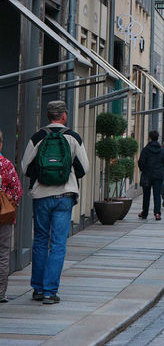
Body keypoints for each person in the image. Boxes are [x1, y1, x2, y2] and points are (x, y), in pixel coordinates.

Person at [21, 100, 89, 305]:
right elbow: (83, 167)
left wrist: (43, 176)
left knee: (41, 240)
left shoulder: (38, 136)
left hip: (41, 195)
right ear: (64, 116)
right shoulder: (73, 137)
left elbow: (25, 167)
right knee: (58, 243)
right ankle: (51, 292)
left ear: (48, 116)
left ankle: (38, 289)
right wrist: (66, 174)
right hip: (65, 195)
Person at [0, 129, 22, 303]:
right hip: (3, 216)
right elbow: (17, 192)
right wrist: (10, 203)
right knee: (2, 253)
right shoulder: (6, 164)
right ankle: (0, 292)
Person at [137, 131, 164, 221]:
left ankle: (145, 213)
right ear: (157, 138)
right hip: (158, 175)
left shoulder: (146, 149)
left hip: (147, 174)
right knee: (157, 194)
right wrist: (161, 171)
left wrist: (144, 170)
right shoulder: (162, 150)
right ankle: (157, 213)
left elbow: (141, 162)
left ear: (149, 137)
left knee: (146, 195)